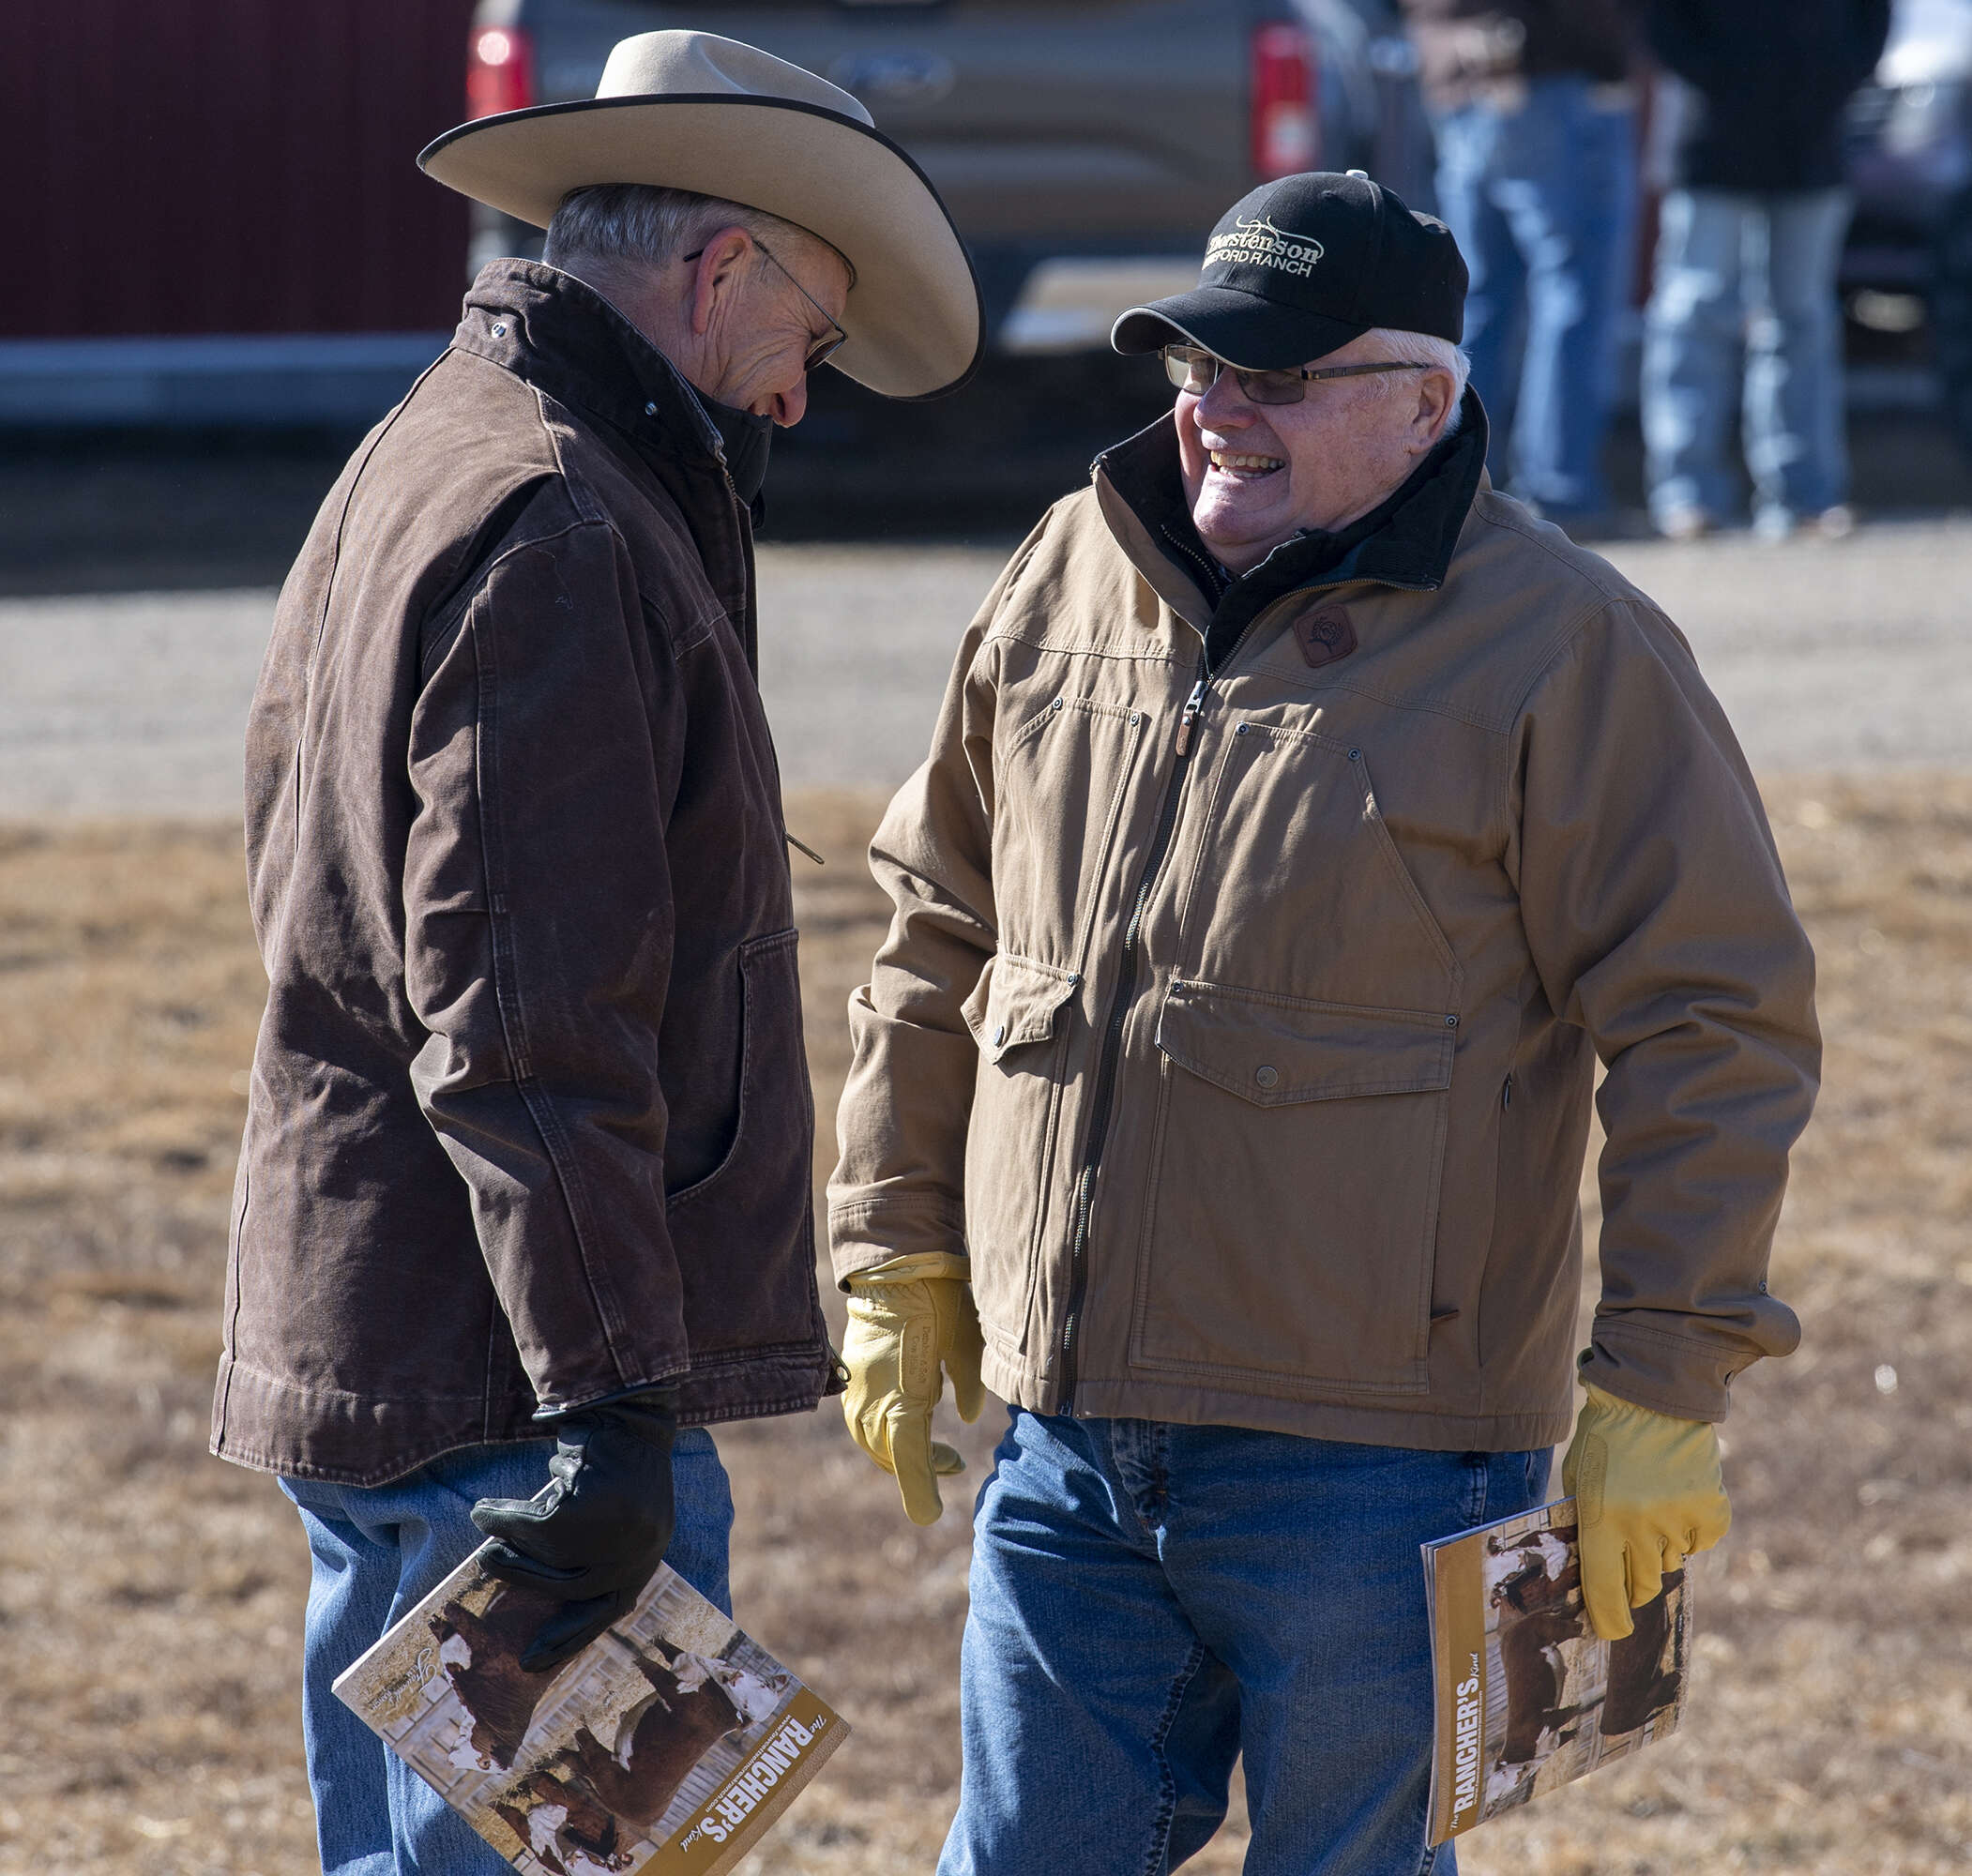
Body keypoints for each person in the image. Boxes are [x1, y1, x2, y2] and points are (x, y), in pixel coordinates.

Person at [829, 170, 1818, 1874]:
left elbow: (1712, 1023)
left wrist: (1662, 1378)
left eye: (1273, 378)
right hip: (1063, 1447)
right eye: (1196, 366)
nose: (1213, 410)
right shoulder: (1073, 570)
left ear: (1424, 404)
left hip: (1382, 1476)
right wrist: (892, 1247)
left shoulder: (1562, 644)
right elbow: (939, 930)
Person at [206, 31, 979, 1876]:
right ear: (723, 269)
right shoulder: (558, 512)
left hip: (386, 1325)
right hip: (512, 1393)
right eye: (813, 326)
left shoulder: (428, 447)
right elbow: (524, 1021)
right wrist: (607, 1409)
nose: (800, 396)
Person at [1641, 0, 1892, 539]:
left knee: (1801, 320)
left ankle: (1804, 499)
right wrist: (1727, 80)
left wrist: (1833, 80)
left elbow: (1872, 20)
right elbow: (1658, 21)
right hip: (1713, 137)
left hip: (1813, 138)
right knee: (1696, 313)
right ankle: (1688, 496)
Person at [1401, 1, 1642, 530]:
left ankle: (1461, 487)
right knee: (1574, 298)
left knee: (1476, 301)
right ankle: (1560, 489)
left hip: (1465, 75)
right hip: (1549, 74)